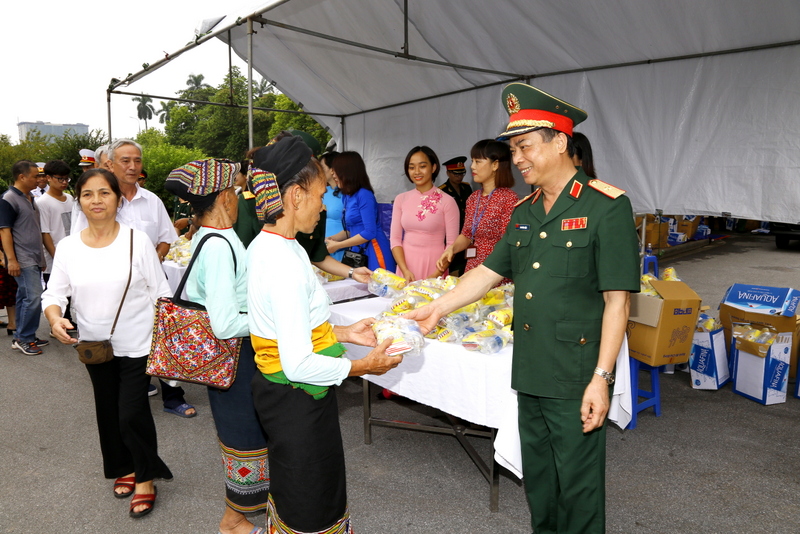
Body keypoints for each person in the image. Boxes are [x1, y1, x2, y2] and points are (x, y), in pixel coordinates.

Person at [405, 82, 640, 534]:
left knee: (578, 482)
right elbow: (487, 272)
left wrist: (602, 378)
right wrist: (438, 307)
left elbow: (617, 302)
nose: (517, 158)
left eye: (525, 146)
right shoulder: (525, 211)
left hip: (575, 373)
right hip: (529, 368)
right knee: (541, 482)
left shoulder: (606, 207)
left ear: (560, 142)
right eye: (513, 148)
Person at [247, 136, 402, 533]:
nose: (324, 203)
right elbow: (298, 363)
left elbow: (289, 326)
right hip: (297, 398)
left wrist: (345, 330)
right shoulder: (284, 261)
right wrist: (364, 366)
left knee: (298, 486)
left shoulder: (277, 245)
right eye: (320, 194)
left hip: (283, 395)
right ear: (296, 196)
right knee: (310, 499)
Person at [43, 168, 173, 519]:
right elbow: (55, 293)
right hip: (94, 345)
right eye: (88, 194)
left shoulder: (137, 240)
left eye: (104, 193)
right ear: (79, 201)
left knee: (132, 411)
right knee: (108, 410)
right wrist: (55, 318)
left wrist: (167, 340)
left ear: (118, 199)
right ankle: (124, 467)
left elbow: (161, 293)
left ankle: (146, 478)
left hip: (138, 341)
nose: (96, 200)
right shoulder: (69, 248)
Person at [165, 159, 269, 534]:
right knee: (243, 439)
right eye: (239, 191)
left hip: (232, 359)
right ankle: (234, 520)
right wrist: (272, 321)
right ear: (226, 197)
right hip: (235, 359)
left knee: (245, 436)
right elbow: (225, 323)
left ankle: (241, 514)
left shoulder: (211, 238)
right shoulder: (220, 246)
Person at [72, 139, 194, 417]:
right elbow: (79, 244)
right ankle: (133, 394)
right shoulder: (97, 204)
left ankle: (173, 396)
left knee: (159, 336)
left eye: (137, 160)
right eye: (125, 161)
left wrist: (154, 256)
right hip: (111, 292)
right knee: (123, 349)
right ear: (110, 164)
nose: (132, 166)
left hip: (149, 287)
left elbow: (167, 238)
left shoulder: (151, 201)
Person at [437, 140, 518, 285]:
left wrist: (483, 269)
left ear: (495, 165)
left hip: (495, 273)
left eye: (478, 161)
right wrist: (451, 249)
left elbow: (508, 243)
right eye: (472, 161)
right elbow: (467, 235)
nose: (472, 166)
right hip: (472, 270)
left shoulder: (508, 198)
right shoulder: (474, 198)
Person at [0, 160, 49, 355]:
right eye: (35, 176)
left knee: (24, 297)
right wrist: (11, 260)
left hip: (34, 257)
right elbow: (4, 231)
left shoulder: (30, 198)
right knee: (33, 297)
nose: (39, 179)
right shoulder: (8, 198)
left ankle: (22, 335)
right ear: (22, 177)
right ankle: (24, 338)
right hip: (22, 258)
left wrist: (41, 259)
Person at [390, 146, 459, 281]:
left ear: (433, 168)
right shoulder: (401, 199)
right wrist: (404, 270)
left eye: (422, 166)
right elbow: (395, 239)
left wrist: (433, 277)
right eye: (411, 167)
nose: (416, 172)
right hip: (405, 268)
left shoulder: (448, 201)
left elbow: (452, 245)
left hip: (435, 268)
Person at [324, 151, 396, 272]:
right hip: (358, 251)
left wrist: (338, 246)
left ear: (347, 171)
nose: (333, 174)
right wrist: (331, 239)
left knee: (377, 288)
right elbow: (350, 230)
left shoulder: (364, 195)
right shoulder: (347, 195)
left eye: (335, 170)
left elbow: (369, 232)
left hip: (374, 250)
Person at [37, 160, 75, 287]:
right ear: (48, 178)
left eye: (66, 179)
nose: (64, 182)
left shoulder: (70, 199)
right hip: (55, 262)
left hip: (73, 257)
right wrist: (57, 257)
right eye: (60, 179)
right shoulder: (43, 202)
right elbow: (45, 233)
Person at [439, 156, 473, 274]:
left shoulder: (466, 187)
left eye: (461, 174)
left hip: (466, 234)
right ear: (448, 173)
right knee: (452, 267)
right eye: (456, 174)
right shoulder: (442, 191)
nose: (459, 177)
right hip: (450, 236)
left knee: (466, 266)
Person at [319, 151, 344, 261]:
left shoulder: (347, 193)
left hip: (339, 245)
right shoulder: (323, 191)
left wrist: (331, 240)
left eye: (322, 167)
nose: (320, 171)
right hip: (322, 245)